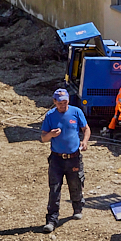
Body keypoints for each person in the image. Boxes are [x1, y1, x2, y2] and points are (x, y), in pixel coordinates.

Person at [38, 88, 90, 232]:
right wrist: (51, 134)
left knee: (76, 184)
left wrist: (85, 141)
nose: (63, 105)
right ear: (54, 102)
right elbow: (43, 138)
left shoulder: (76, 112)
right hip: (56, 159)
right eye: (60, 103)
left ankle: (77, 208)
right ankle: (52, 220)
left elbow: (86, 129)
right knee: (54, 189)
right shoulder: (50, 116)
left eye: (65, 102)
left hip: (74, 158)